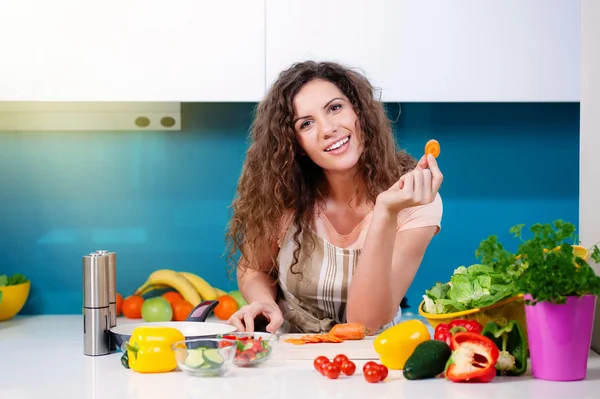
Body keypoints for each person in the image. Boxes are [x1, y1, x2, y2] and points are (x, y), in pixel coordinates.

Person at [224, 61, 443, 335]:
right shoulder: (284, 194)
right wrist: (264, 302)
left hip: (373, 359)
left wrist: (385, 212)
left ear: (358, 113)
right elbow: (253, 268)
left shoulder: (413, 200)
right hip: (289, 354)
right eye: (306, 124)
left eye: (335, 108)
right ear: (297, 144)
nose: (327, 129)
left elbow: (364, 321)